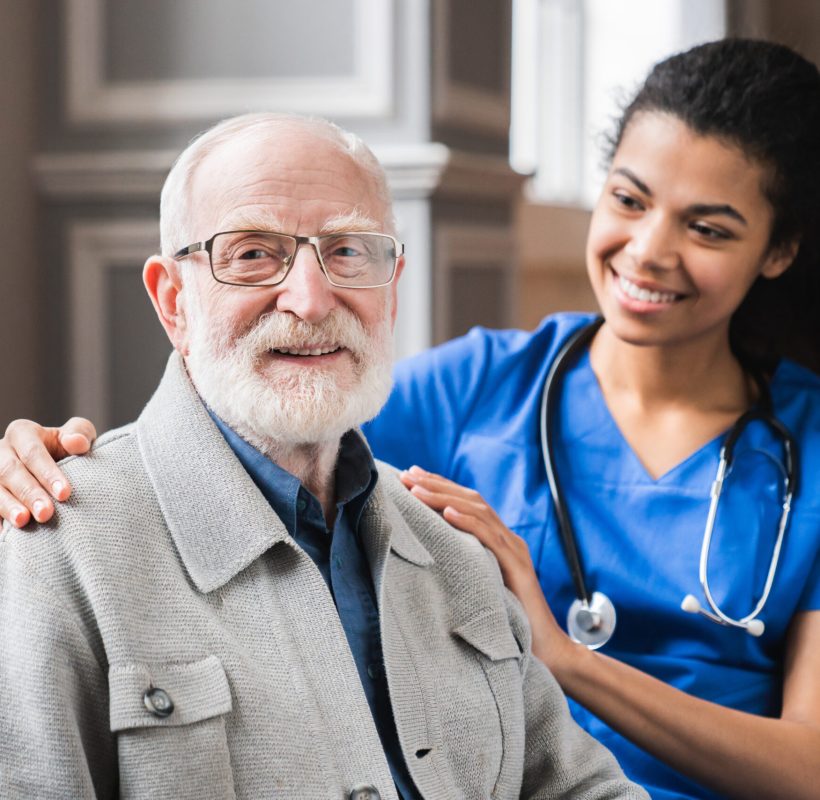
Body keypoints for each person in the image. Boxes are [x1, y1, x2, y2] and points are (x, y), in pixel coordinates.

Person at [2, 37, 820, 800]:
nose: (648, 251)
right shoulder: (478, 390)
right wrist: (53, 466)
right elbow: (250, 437)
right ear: (171, 297)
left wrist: (560, 655)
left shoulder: (454, 560)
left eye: (350, 251)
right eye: (253, 252)